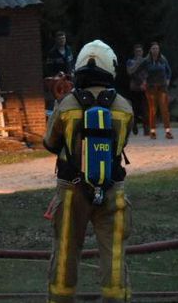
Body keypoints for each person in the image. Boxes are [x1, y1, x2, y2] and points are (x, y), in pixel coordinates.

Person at [44, 40, 134, 303]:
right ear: (111, 69)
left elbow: (50, 143)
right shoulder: (124, 108)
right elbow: (122, 145)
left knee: (66, 252)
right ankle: (115, 298)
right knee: (114, 253)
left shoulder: (67, 105)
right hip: (112, 192)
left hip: (72, 192)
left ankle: (61, 298)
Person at [140, 41, 172, 140]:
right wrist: (144, 81)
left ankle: (168, 131)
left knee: (164, 109)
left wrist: (167, 80)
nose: (155, 50)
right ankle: (152, 131)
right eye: (153, 48)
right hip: (151, 87)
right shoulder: (146, 61)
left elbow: (168, 71)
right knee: (153, 109)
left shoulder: (162, 59)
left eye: (157, 48)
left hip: (162, 87)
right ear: (150, 50)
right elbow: (141, 72)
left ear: (159, 49)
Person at [125, 44, 148, 135]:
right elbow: (130, 72)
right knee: (135, 109)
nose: (139, 53)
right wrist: (137, 63)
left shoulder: (146, 61)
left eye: (140, 51)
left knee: (145, 109)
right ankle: (134, 126)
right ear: (134, 52)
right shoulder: (130, 62)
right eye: (137, 51)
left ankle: (146, 128)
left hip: (144, 88)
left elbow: (149, 73)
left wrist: (145, 83)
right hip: (134, 88)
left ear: (142, 52)